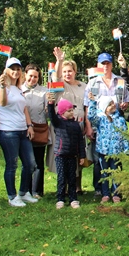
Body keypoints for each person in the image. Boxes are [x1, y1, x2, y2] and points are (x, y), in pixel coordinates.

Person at [84, 52, 129, 197]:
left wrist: (125, 105)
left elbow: (126, 101)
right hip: (99, 124)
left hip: (116, 123)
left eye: (107, 63)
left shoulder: (120, 81)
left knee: (116, 162)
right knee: (99, 160)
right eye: (102, 63)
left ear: (112, 64)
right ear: (98, 65)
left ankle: (117, 191)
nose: (105, 66)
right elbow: (87, 107)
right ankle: (100, 189)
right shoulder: (93, 83)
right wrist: (89, 127)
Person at [0, 57, 39, 207]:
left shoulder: (19, 89)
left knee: (30, 163)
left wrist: (29, 125)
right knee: (12, 165)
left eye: (18, 69)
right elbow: (2, 103)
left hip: (22, 131)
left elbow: (24, 108)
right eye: (12, 69)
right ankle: (12, 196)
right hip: (8, 132)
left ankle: (23, 192)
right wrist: (2, 87)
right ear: (6, 71)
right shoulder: (1, 87)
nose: (15, 71)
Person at [51, 48, 88, 195]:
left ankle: (78, 186)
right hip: (64, 127)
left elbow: (86, 106)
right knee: (65, 155)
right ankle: (64, 187)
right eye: (65, 71)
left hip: (79, 125)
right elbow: (56, 76)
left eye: (70, 71)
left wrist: (87, 123)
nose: (67, 74)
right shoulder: (60, 84)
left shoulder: (83, 86)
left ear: (75, 71)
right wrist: (59, 61)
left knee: (78, 154)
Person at [87, 95, 129, 203]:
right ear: (105, 108)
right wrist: (92, 102)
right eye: (110, 104)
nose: (113, 105)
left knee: (116, 173)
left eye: (113, 103)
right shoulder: (100, 119)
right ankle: (105, 194)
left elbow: (125, 135)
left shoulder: (120, 120)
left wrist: (126, 150)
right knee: (104, 173)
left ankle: (116, 194)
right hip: (103, 151)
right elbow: (91, 116)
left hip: (116, 152)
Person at [48, 96, 86, 209]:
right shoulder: (58, 122)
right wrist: (50, 104)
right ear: (62, 112)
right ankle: (60, 199)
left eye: (72, 110)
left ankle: (73, 199)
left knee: (72, 177)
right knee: (61, 177)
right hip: (60, 155)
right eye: (69, 111)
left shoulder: (76, 125)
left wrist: (82, 156)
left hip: (72, 155)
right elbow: (51, 116)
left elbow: (80, 141)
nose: (72, 112)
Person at [22, 64, 49, 199]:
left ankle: (37, 191)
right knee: (27, 161)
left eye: (35, 77)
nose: (32, 79)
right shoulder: (19, 90)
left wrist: (49, 107)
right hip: (23, 129)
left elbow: (48, 112)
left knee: (38, 161)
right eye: (30, 76)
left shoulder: (44, 91)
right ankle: (25, 190)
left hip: (39, 128)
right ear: (25, 75)